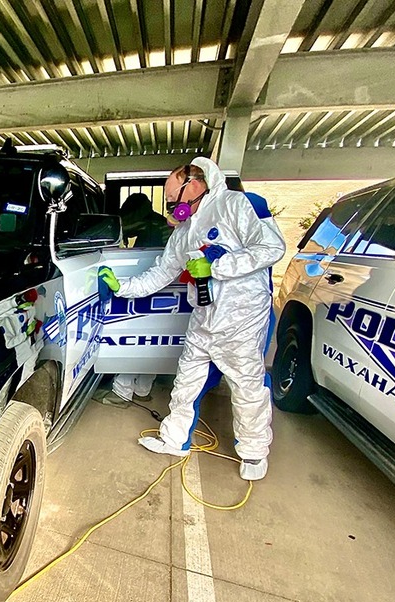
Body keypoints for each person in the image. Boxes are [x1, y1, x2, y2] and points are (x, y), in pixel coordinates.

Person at [98, 158, 285, 481]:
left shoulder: (234, 205)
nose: (171, 205)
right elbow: (161, 273)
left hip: (241, 317)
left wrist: (218, 265)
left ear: (194, 185)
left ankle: (254, 452)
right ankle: (174, 439)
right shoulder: (184, 232)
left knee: (247, 386)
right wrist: (122, 287)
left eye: (173, 197)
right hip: (204, 316)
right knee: (186, 382)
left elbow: (272, 247)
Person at [92, 193, 172, 408]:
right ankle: (143, 390)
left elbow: (125, 232)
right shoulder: (161, 223)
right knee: (156, 340)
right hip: (170, 290)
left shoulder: (147, 224)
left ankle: (122, 391)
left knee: (137, 336)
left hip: (149, 285)